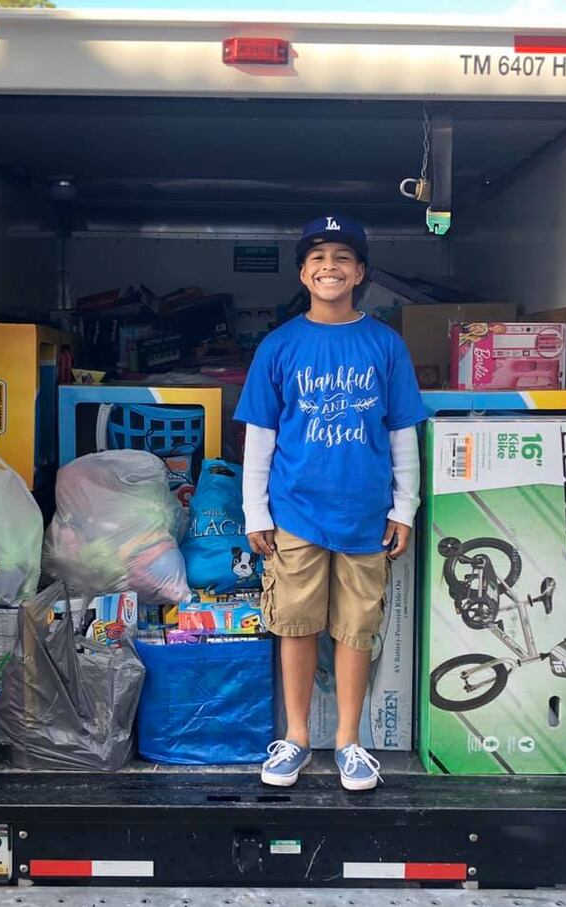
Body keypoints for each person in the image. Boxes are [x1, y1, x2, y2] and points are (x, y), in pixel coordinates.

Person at [234, 214, 426, 791]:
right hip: (295, 514)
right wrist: (255, 512)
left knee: (355, 629)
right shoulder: (280, 345)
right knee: (295, 624)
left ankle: (348, 742)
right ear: (302, 273)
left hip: (366, 518)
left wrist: (405, 507)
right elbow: (260, 437)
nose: (329, 267)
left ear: (360, 273)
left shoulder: (385, 344)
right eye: (317, 258)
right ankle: (295, 738)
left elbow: (402, 432)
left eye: (343, 258)